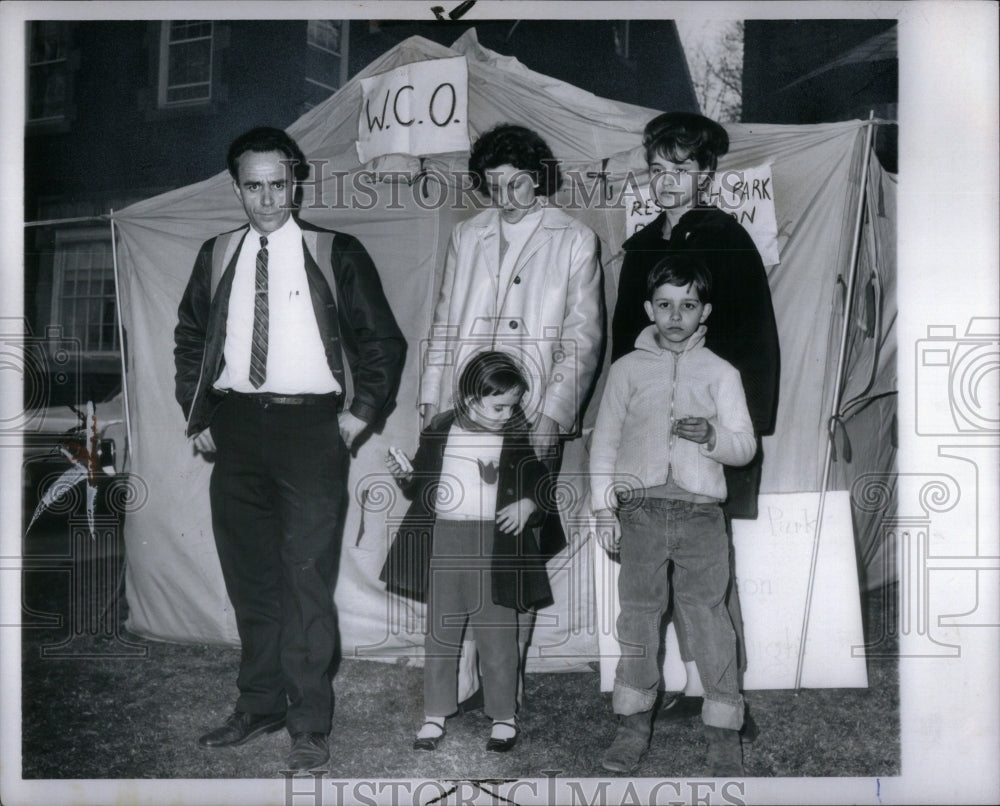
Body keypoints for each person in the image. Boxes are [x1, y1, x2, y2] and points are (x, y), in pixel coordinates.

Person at [173, 126, 406, 772]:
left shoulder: (336, 251)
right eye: (254, 186)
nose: (268, 198)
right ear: (237, 187)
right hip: (238, 428)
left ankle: (308, 720)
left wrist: (357, 419)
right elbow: (190, 337)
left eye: (279, 184)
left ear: (296, 181)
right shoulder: (216, 253)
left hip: (313, 432)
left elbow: (383, 343)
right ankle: (258, 705)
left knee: (306, 581)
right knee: (251, 580)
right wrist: (198, 417)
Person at [419, 123, 604, 706]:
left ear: (538, 177)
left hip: (528, 412)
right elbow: (445, 320)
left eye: (517, 183)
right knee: (465, 542)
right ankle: (470, 675)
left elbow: (583, 336)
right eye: (493, 185)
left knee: (517, 550)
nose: (506, 197)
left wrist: (553, 411)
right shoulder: (467, 235)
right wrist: (432, 399)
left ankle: (509, 678)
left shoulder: (574, 237)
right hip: (467, 410)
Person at [610, 111, 780, 730]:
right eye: (657, 169)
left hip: (708, 435)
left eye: (680, 168)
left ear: (705, 172)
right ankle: (669, 686)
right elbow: (622, 350)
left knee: (707, 572)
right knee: (653, 566)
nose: (667, 180)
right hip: (648, 439)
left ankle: (722, 691)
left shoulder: (728, 240)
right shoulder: (643, 244)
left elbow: (757, 341)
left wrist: (737, 434)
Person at [591, 254, 757, 775]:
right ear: (648, 308)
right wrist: (603, 506)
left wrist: (713, 438)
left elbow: (745, 446)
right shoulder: (625, 370)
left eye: (688, 305)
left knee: (709, 617)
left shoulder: (721, 373)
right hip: (638, 512)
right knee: (638, 617)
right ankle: (633, 722)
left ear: (703, 311)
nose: (675, 315)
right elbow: (604, 443)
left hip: (701, 514)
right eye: (665, 305)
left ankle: (723, 726)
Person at [380, 352, 561, 751]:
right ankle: (434, 714)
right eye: (498, 406)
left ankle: (503, 716)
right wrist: (406, 474)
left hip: (494, 544)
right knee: (440, 635)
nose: (506, 414)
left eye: (512, 406)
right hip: (444, 541)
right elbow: (421, 481)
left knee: (498, 633)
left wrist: (529, 504)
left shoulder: (514, 434)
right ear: (469, 396)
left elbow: (539, 480)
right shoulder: (441, 427)